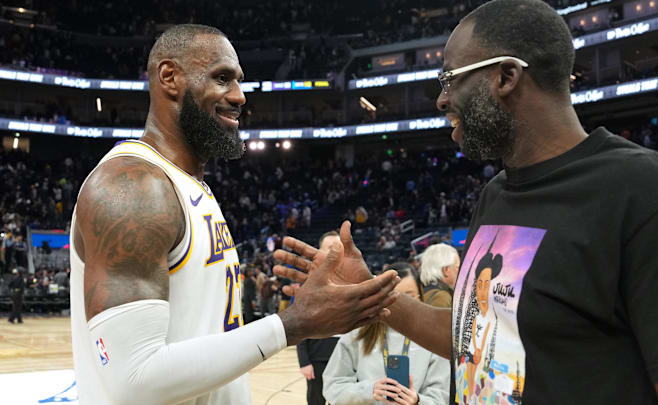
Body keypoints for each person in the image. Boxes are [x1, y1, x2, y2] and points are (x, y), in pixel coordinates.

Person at [273, 1, 658, 404]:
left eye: (449, 78)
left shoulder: (648, 194)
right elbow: (477, 338)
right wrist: (370, 292)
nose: (441, 98)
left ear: (506, 76)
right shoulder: (496, 194)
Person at [69, 24, 399, 405]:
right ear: (169, 77)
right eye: (222, 78)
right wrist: (291, 325)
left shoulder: (189, 187)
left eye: (239, 81)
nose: (240, 96)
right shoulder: (133, 187)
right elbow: (133, 378)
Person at [323, 262, 450, 405]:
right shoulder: (358, 333)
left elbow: (442, 396)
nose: (401, 306)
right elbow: (332, 386)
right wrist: (368, 391)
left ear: (419, 297)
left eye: (409, 297)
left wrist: (418, 401)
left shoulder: (432, 337)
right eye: (393, 298)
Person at [297, 231, 342, 405]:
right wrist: (304, 362)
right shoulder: (309, 284)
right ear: (320, 252)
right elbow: (300, 325)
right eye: (330, 248)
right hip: (318, 359)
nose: (335, 251)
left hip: (345, 358)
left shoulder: (354, 282)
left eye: (338, 247)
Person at [419, 243, 460, 308]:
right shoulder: (442, 298)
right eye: (458, 267)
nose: (460, 272)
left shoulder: (421, 293)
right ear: (446, 270)